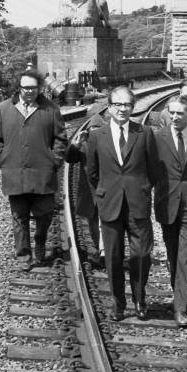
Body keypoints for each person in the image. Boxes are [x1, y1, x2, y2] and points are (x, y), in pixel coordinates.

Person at [86, 86, 158, 321]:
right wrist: (105, 192)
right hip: (111, 204)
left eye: (127, 104)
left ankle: (140, 299)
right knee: (113, 257)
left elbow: (153, 168)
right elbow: (92, 172)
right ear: (109, 107)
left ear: (133, 107)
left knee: (141, 256)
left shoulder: (144, 133)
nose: (122, 109)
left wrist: (144, 189)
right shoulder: (97, 136)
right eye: (118, 104)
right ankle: (119, 303)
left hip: (138, 203)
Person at [0, 70, 67, 271]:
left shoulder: (50, 109)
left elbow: (60, 138)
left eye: (33, 88)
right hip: (14, 173)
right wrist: (1, 160)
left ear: (39, 88)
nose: (30, 91)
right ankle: (24, 256)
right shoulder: (3, 108)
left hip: (43, 173)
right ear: (19, 87)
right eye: (26, 87)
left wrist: (55, 160)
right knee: (19, 218)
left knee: (45, 214)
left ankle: (40, 239)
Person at [154, 96, 187, 327]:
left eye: (180, 114)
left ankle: (180, 308)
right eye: (172, 113)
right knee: (173, 253)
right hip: (168, 203)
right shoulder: (158, 138)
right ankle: (178, 290)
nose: (175, 117)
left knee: (185, 256)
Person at [64, 111, 106, 263]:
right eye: (92, 130)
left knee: (103, 220)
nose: (94, 133)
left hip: (105, 188)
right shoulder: (84, 144)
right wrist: (75, 145)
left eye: (98, 130)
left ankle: (104, 251)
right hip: (88, 189)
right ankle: (98, 247)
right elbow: (69, 159)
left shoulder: (109, 143)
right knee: (92, 220)